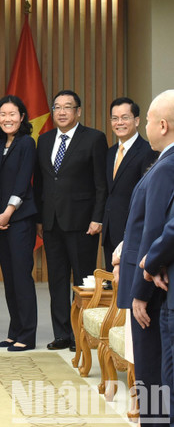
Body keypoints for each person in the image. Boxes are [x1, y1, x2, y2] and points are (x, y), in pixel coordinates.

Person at [34, 90, 108, 350]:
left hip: (83, 223)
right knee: (56, 282)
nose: (62, 112)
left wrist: (98, 217)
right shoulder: (43, 141)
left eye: (68, 107)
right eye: (57, 107)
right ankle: (63, 333)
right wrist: (40, 219)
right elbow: (41, 184)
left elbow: (102, 184)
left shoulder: (94, 139)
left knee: (83, 281)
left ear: (78, 111)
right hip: (52, 223)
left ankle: (83, 335)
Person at [120, 90, 174, 422]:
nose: (149, 127)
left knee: (153, 381)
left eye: (151, 120)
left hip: (150, 291)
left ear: (163, 125)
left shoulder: (167, 166)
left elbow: (154, 229)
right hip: (149, 282)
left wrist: (140, 293)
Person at [0, 95, 38, 352]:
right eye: (2, 114)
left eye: (12, 114)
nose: (7, 119)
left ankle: (27, 335)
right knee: (9, 278)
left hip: (20, 220)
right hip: (1, 220)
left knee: (21, 277)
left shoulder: (27, 143)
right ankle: (14, 331)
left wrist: (8, 212)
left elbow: (22, 181)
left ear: (22, 117)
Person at [102, 97, 156, 270]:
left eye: (125, 117)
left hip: (132, 231)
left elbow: (147, 195)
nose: (119, 123)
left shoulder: (148, 151)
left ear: (137, 120)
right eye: (115, 118)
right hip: (110, 230)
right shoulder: (110, 153)